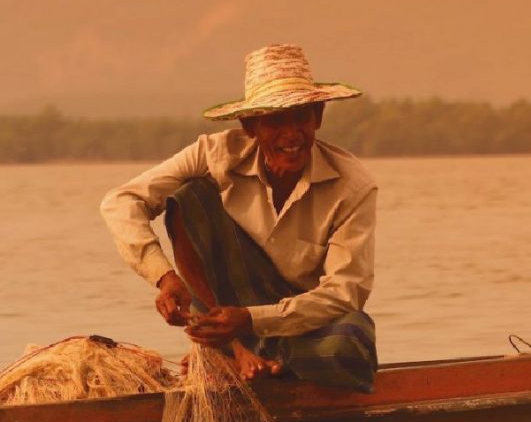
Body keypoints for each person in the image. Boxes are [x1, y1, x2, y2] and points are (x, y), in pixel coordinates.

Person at [100, 44, 378, 392]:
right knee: (190, 197)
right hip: (222, 311)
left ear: (318, 118)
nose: (291, 133)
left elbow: (344, 292)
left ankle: (244, 359)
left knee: (351, 343)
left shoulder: (353, 185)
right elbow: (121, 201)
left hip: (300, 321)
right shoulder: (214, 154)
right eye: (275, 120)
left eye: (301, 118)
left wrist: (251, 320)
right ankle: (231, 350)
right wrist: (165, 278)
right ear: (250, 126)